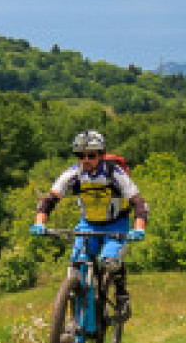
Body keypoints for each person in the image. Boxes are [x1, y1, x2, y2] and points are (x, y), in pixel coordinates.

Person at [30, 129, 148, 318]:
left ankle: (121, 296)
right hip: (88, 225)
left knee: (110, 262)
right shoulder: (73, 174)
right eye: (81, 155)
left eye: (91, 155)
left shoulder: (114, 173)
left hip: (116, 224)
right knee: (75, 268)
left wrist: (139, 228)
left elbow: (138, 202)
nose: (86, 159)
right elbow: (49, 200)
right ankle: (73, 323)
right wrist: (39, 223)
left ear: (101, 155)